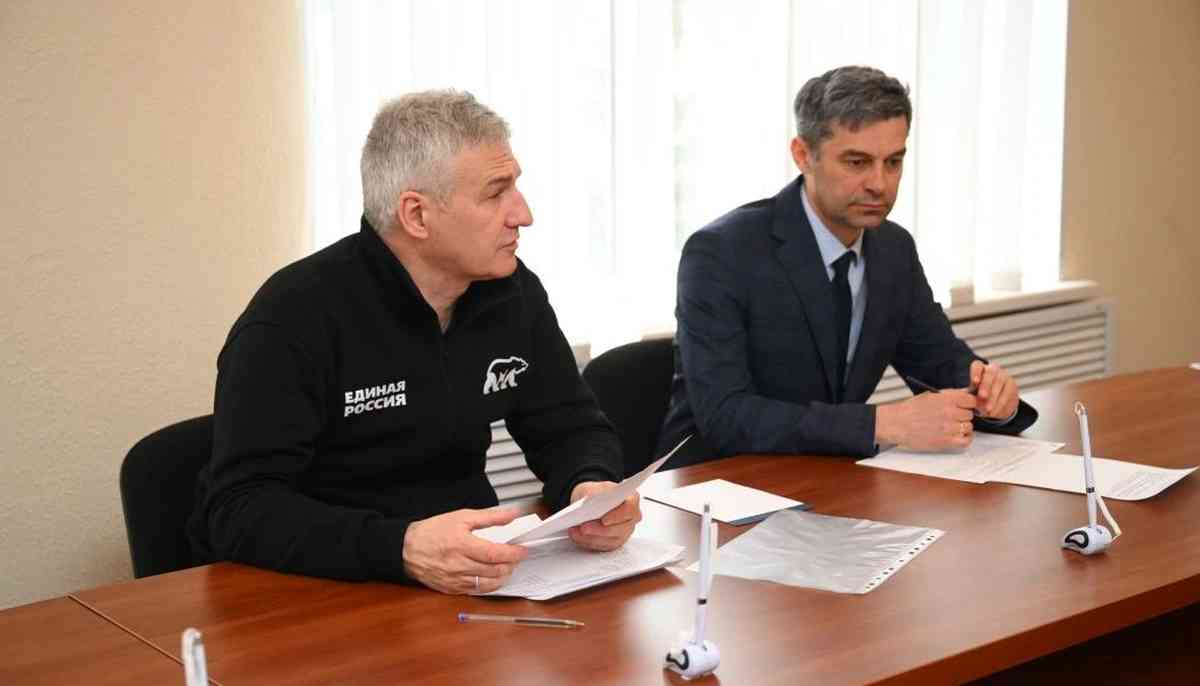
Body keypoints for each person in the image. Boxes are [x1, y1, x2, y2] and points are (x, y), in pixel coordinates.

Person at [188, 90, 641, 594]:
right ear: (417, 215)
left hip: (468, 582)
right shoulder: (293, 318)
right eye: (496, 194)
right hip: (323, 591)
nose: (523, 213)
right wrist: (400, 547)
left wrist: (590, 486)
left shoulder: (511, 291)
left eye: (516, 186)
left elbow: (570, 426)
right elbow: (239, 508)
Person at [659, 65, 1037, 467]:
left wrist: (991, 395)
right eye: (857, 162)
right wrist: (881, 423)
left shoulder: (893, 249)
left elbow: (940, 362)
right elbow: (725, 416)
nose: (880, 184)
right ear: (803, 155)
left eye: (893, 162)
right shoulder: (722, 253)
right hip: (713, 482)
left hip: (827, 476)